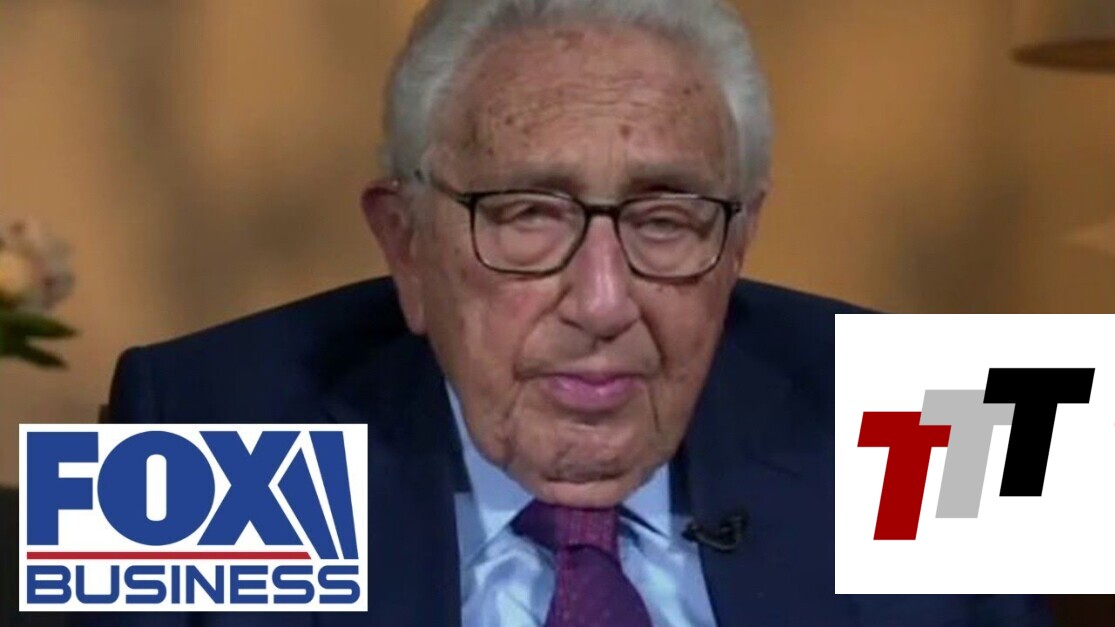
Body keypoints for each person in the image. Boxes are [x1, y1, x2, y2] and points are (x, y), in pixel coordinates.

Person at [90, 0, 1052, 625]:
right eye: (524, 216)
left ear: (740, 239)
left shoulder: (972, 414)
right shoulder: (193, 417)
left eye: (665, 219)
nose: (601, 302)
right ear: (406, 244)